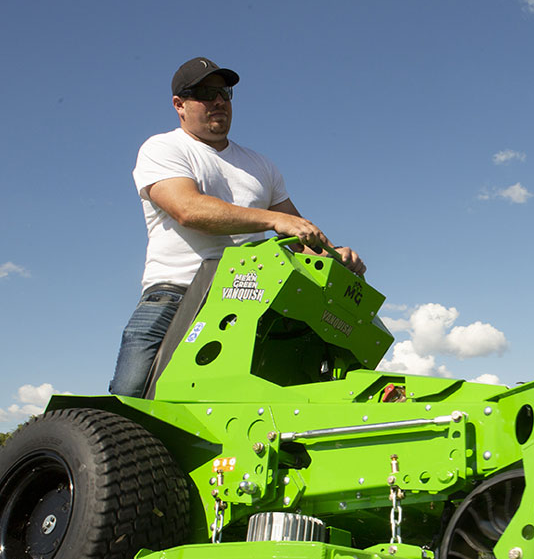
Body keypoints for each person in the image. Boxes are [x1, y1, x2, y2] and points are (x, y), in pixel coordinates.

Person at [109, 56, 365, 397]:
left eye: (225, 93)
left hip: (247, 301)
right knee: (129, 401)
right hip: (175, 294)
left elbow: (299, 232)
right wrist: (274, 219)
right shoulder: (163, 148)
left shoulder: (260, 165)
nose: (218, 101)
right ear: (179, 105)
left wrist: (334, 255)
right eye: (204, 92)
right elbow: (187, 209)